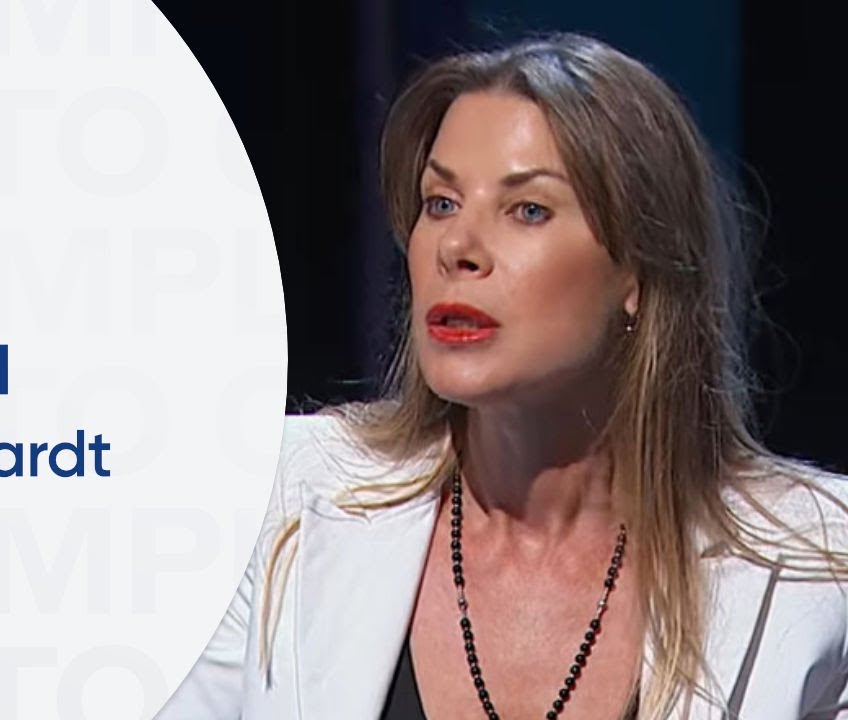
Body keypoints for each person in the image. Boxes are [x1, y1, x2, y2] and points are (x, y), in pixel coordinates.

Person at [155, 32, 848, 720]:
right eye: (441, 203)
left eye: (528, 211)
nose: (457, 247)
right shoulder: (278, 497)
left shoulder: (819, 563)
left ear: (638, 267)